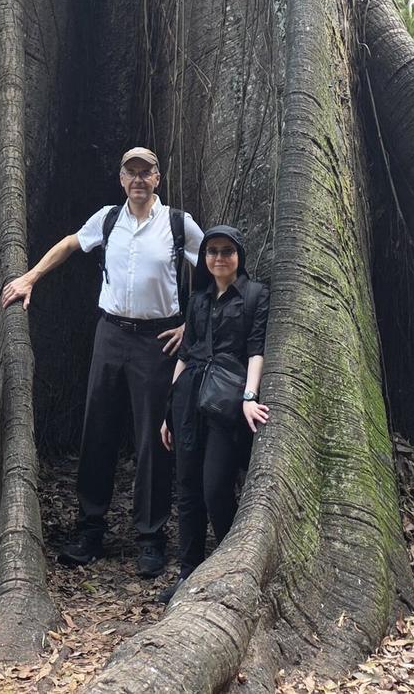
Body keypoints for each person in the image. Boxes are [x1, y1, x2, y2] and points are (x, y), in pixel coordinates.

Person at [1, 146, 202, 578]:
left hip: (158, 338)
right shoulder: (108, 219)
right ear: (121, 179)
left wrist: (192, 325)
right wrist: (30, 276)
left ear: (157, 178)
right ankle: (90, 528)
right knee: (98, 430)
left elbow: (214, 268)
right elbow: (72, 244)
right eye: (130, 172)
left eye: (145, 172)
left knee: (152, 437)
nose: (138, 180)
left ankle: (150, 536)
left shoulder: (177, 224)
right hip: (110, 334)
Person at [158, 224, 269, 605]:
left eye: (227, 251)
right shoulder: (199, 299)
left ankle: (227, 563)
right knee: (187, 490)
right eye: (212, 252)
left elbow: (256, 350)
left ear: (239, 256)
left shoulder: (254, 295)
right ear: (204, 259)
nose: (219, 258)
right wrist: (168, 413)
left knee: (215, 487)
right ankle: (188, 571)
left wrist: (249, 397)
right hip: (189, 399)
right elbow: (186, 354)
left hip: (225, 404)